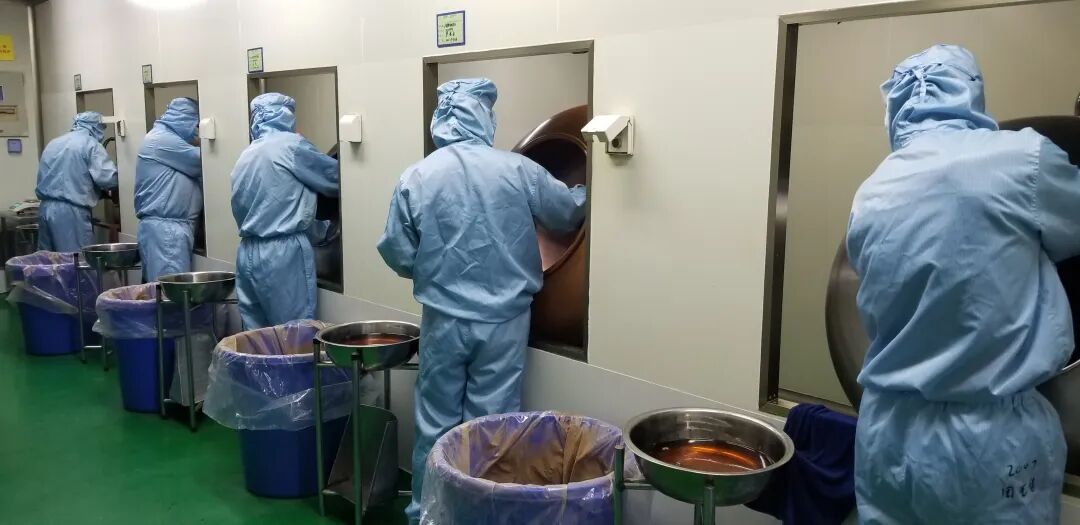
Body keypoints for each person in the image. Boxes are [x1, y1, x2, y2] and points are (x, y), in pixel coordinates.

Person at [846, 44, 1080, 524]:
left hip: (887, 433)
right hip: (989, 442)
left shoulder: (873, 190)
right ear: (968, 93)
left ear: (897, 107)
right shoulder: (1022, 159)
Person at [377, 78, 586, 523]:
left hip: (443, 319)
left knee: (435, 424)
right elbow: (566, 214)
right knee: (492, 427)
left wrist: (433, 273)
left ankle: (426, 514)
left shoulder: (418, 176)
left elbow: (395, 250)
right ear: (483, 116)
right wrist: (588, 190)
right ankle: (481, 516)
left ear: (442, 118)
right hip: (504, 320)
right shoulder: (517, 170)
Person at [230, 93, 338, 329]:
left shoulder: (246, 154)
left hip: (247, 251)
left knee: (256, 337)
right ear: (286, 116)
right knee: (293, 332)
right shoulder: (292, 146)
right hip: (282, 254)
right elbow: (338, 178)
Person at [134, 98, 202, 281]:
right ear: (186, 119)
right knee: (170, 292)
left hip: (165, 230)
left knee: (162, 289)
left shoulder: (161, 136)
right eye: (196, 125)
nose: (197, 130)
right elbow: (205, 161)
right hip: (167, 234)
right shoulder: (162, 140)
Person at [35, 112, 118, 252]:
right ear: (94, 126)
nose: (102, 132)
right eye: (101, 127)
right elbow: (108, 179)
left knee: (48, 260)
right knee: (76, 259)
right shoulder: (90, 144)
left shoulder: (54, 143)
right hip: (71, 212)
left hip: (45, 209)